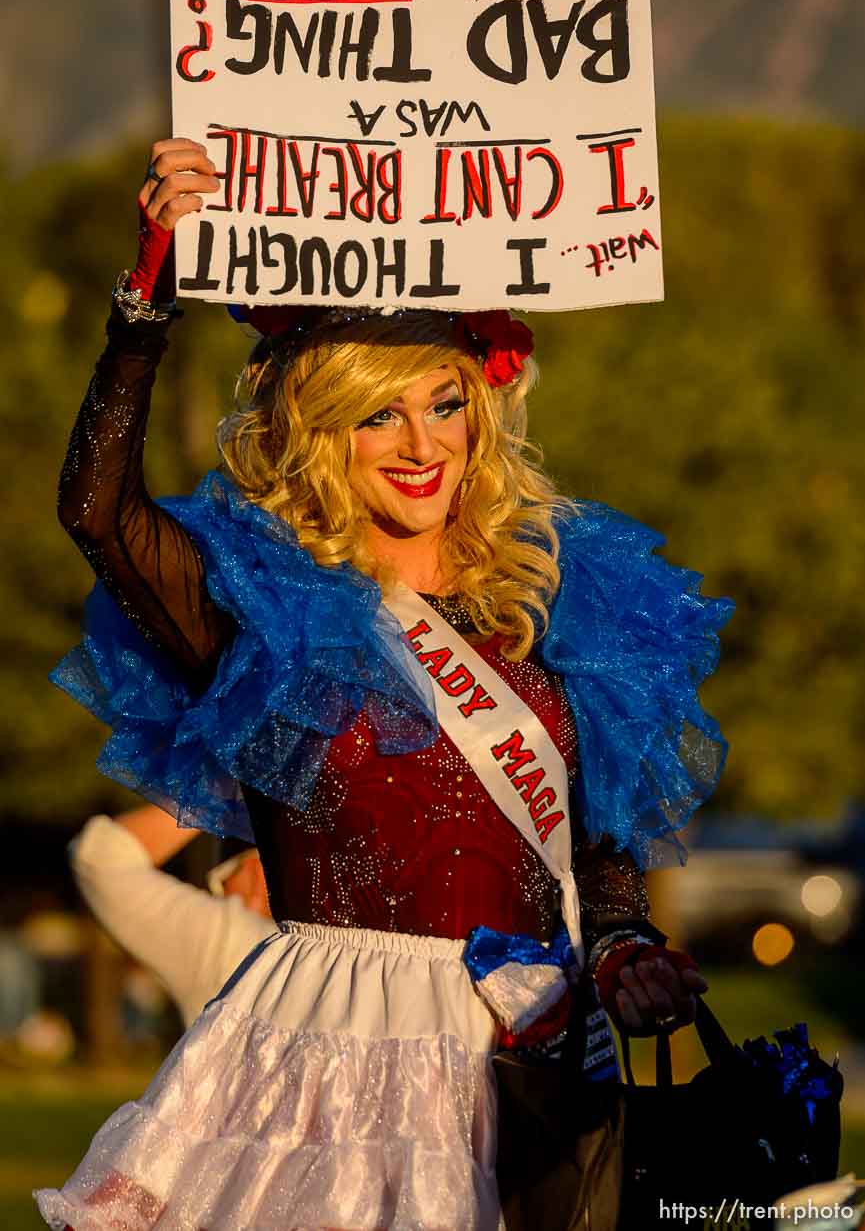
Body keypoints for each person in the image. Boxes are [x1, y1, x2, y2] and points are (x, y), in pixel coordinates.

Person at [36, 138, 733, 1231]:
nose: (420, 445)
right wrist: (149, 293)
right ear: (320, 432)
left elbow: (593, 856)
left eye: (442, 404)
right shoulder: (263, 609)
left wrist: (630, 949)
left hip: (531, 1052)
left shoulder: (554, 602)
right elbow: (97, 513)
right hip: (327, 1054)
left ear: (481, 411)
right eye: (377, 415)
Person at [70, 805, 273, 1027]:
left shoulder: (231, 939)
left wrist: (217, 790)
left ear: (253, 872)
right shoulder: (308, 951)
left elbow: (100, 856)